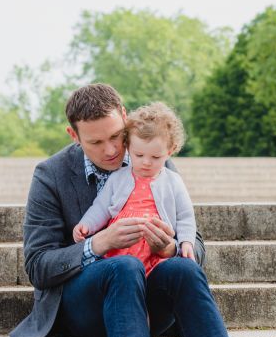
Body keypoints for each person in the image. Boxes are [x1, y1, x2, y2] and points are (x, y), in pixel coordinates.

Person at [9, 83, 276, 337]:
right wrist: (97, 243)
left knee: (182, 269)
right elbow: (38, 266)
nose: (112, 150)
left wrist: (171, 247)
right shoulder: (50, 175)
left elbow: (193, 238)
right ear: (73, 135)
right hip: (86, 303)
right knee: (123, 266)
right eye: (96, 142)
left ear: (126, 118)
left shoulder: (152, 155)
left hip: (147, 295)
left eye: (116, 136)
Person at [73, 102, 197, 275]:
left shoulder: (173, 180)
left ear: (170, 151)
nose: (146, 162)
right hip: (122, 246)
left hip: (156, 249)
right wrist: (86, 224)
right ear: (128, 146)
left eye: (155, 157)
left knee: (178, 272)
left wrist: (186, 242)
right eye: (138, 155)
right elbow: (101, 207)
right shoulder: (118, 177)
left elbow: (185, 216)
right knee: (125, 270)